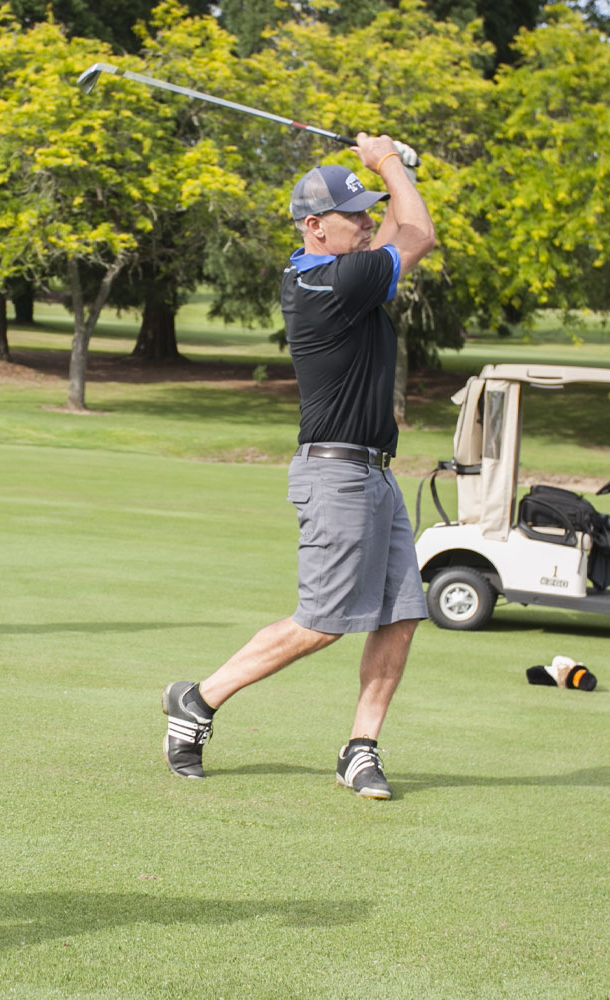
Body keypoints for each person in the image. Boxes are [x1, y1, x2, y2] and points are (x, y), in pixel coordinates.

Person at [163, 135, 435, 799]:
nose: (369, 222)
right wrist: (390, 164)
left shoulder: (348, 271)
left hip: (375, 473)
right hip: (336, 476)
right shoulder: (331, 281)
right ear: (315, 226)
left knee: (400, 614)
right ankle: (197, 699)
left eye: (370, 212)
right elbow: (418, 232)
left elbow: (398, 230)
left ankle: (360, 749)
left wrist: (389, 168)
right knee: (323, 621)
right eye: (355, 215)